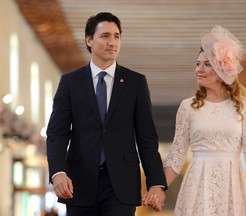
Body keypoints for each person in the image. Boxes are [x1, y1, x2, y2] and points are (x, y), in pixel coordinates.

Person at [46, 12, 166, 216]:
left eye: (117, 36)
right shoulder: (70, 83)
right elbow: (57, 133)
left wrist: (156, 183)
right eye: (105, 36)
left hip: (121, 184)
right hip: (79, 183)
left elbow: (146, 137)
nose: (112, 42)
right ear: (89, 40)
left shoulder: (135, 83)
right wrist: (58, 172)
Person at [145, 26, 246, 215]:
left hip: (233, 186)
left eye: (207, 64)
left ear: (222, 68)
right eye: (197, 64)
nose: (199, 69)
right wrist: (157, 188)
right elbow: (176, 156)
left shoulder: (244, 107)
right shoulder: (187, 107)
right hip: (197, 184)